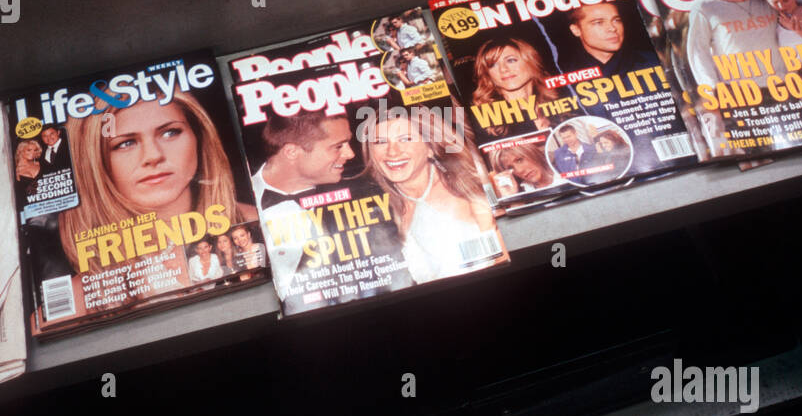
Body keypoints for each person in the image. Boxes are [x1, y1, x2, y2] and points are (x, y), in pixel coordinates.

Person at [56, 88, 256, 292]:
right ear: (92, 164)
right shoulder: (81, 296)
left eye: (170, 133)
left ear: (199, 136)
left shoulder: (257, 221)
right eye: (125, 143)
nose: (153, 156)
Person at [362, 110, 502, 283]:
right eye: (380, 142)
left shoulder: (468, 186)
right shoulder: (384, 210)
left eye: (405, 139)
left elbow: (506, 254)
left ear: (430, 147)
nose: (392, 151)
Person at [251, 110, 357, 296]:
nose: (351, 154)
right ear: (291, 152)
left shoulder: (362, 197)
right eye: (338, 146)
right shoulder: (231, 198)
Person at [686, 0, 784, 91]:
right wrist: (712, 88)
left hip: (781, 82)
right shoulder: (706, 8)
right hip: (738, 89)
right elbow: (698, 50)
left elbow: (799, 3)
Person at [471, 37, 561, 135]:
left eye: (511, 60)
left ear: (532, 61)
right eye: (493, 65)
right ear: (488, 74)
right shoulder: (482, 119)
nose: (503, 69)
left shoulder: (560, 103)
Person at [561, 2, 654, 77]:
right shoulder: (564, 74)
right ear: (576, 30)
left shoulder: (653, 61)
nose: (612, 28)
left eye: (616, 20)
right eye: (599, 22)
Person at [490, 140, 566, 193]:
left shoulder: (566, 167)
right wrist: (512, 196)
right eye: (510, 168)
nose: (519, 170)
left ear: (531, 152)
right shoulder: (524, 190)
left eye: (519, 160)